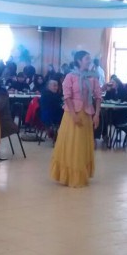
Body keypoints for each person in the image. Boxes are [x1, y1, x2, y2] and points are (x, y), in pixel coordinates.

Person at [50, 50, 101, 188]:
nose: (89, 61)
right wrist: (73, 114)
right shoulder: (70, 76)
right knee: (72, 144)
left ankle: (82, 173)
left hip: (87, 113)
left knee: (83, 144)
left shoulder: (93, 77)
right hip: (72, 114)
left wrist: (96, 115)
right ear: (79, 60)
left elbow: (98, 97)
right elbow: (67, 96)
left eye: (89, 58)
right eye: (86, 58)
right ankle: (69, 175)